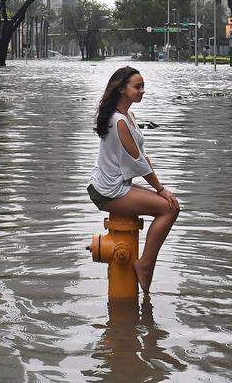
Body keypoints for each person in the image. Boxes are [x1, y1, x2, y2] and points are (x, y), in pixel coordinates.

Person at [87, 66, 180, 296]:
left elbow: (141, 157)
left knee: (169, 204)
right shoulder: (118, 121)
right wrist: (161, 190)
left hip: (113, 185)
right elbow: (138, 162)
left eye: (143, 86)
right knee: (169, 209)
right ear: (121, 89)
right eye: (137, 87)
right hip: (108, 191)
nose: (142, 91)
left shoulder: (127, 116)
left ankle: (144, 266)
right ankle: (145, 264)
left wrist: (159, 189)